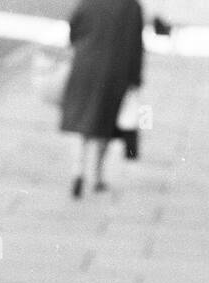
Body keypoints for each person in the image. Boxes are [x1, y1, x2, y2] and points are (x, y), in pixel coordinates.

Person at [60, 0, 145, 198]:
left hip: (84, 66)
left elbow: (73, 30)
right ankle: (97, 176)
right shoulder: (132, 6)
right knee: (104, 125)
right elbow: (137, 45)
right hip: (115, 73)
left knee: (79, 120)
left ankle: (77, 171)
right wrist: (136, 79)